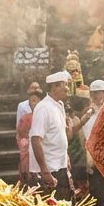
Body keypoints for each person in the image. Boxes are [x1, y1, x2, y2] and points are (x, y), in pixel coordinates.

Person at [29, 71, 72, 199]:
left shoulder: (59, 105)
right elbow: (35, 140)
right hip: (50, 170)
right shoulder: (43, 108)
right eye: (64, 85)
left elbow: (59, 136)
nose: (67, 88)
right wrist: (45, 171)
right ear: (54, 87)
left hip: (61, 166)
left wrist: (66, 157)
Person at [16, 82, 42, 186]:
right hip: (26, 142)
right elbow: (20, 130)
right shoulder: (24, 115)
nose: (33, 103)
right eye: (31, 101)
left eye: (35, 101)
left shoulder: (43, 111)